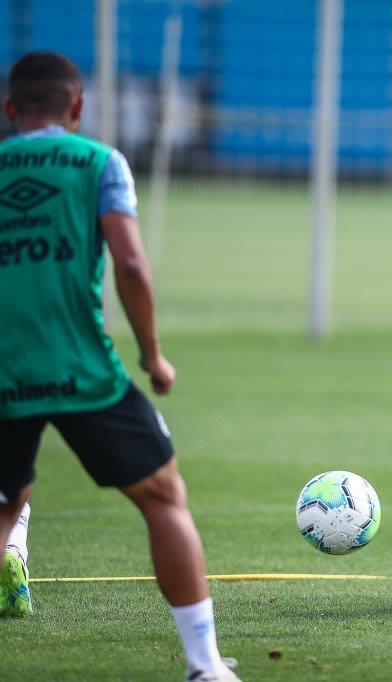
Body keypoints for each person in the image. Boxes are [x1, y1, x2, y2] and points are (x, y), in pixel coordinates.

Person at [0, 51, 241, 681]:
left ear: (9, 110)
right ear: (77, 108)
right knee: (164, 497)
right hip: (83, 370)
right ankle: (204, 666)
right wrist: (152, 355)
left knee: (3, 505)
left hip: (3, 374)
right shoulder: (98, 162)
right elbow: (130, 265)